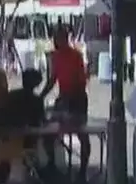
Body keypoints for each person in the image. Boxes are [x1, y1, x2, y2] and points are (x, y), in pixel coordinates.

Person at [40, 28, 90, 183]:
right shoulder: (55, 57)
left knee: (82, 135)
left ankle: (82, 170)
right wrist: (40, 96)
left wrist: (69, 99)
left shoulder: (76, 56)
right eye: (54, 38)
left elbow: (81, 82)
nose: (55, 41)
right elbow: (52, 79)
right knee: (49, 132)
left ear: (65, 39)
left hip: (77, 99)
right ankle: (51, 165)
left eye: (57, 38)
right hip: (63, 98)